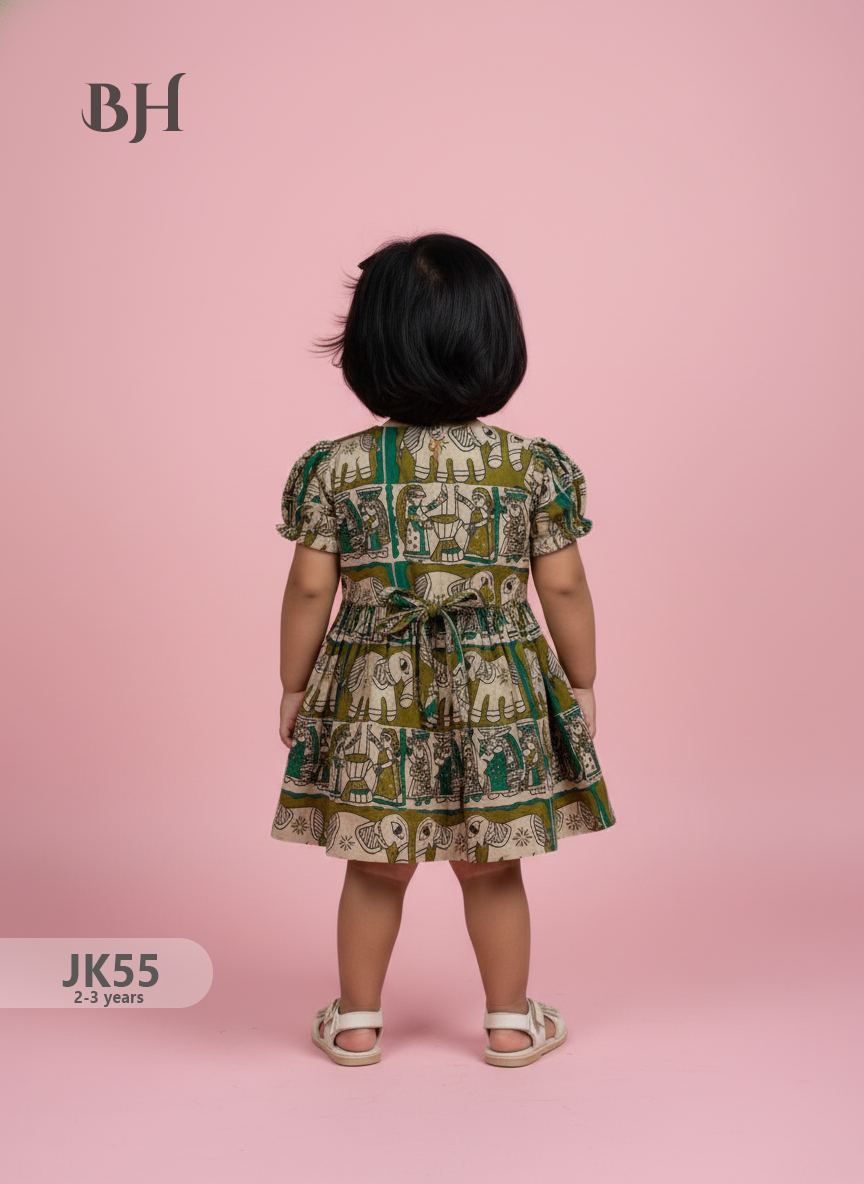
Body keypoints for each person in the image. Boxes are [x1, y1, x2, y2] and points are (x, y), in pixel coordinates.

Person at [273, 232, 616, 1068]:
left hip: (371, 687)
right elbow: (565, 587)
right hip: (496, 676)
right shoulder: (528, 467)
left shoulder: (337, 470)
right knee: (492, 867)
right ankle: (509, 1023)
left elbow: (310, 590)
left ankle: (357, 1024)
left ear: (367, 350)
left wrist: (293, 683)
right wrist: (581, 679)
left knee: (374, 863)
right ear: (497, 345)